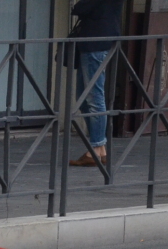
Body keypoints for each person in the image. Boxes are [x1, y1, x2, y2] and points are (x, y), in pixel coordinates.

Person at [69, 0, 125, 166]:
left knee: (94, 97)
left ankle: (95, 149)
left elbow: (81, 7)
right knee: (83, 96)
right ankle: (99, 148)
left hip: (96, 44)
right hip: (94, 43)